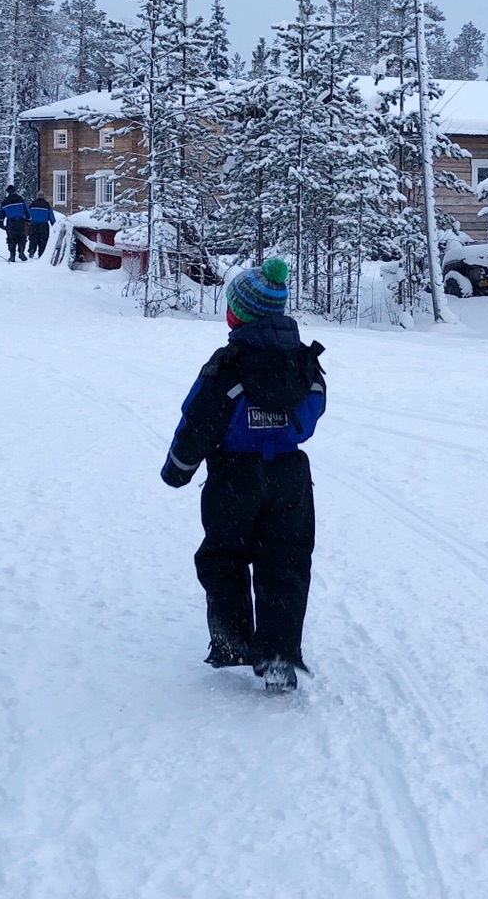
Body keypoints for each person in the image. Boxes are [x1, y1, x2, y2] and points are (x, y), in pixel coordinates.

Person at [159, 257, 325, 692]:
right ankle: (277, 655)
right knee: (285, 563)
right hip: (289, 477)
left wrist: (178, 469)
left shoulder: (228, 365)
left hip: (234, 478)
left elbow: (198, 420)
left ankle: (234, 642)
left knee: (222, 556)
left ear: (238, 314)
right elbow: (313, 411)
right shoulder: (304, 362)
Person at [0, 189, 28, 262]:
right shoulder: (20, 199)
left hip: (10, 222)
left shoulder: (5, 202)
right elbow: (26, 209)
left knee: (11, 239)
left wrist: (1, 224)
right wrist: (29, 219)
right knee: (22, 237)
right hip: (21, 221)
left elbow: (1, 214)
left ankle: (12, 256)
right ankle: (21, 252)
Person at [24, 193, 55, 261]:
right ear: (44, 197)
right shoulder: (46, 205)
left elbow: (28, 214)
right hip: (43, 225)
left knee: (33, 238)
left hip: (33, 225)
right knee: (43, 240)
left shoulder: (32, 204)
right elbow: (51, 216)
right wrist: (54, 225)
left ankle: (32, 249)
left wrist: (27, 221)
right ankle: (41, 253)